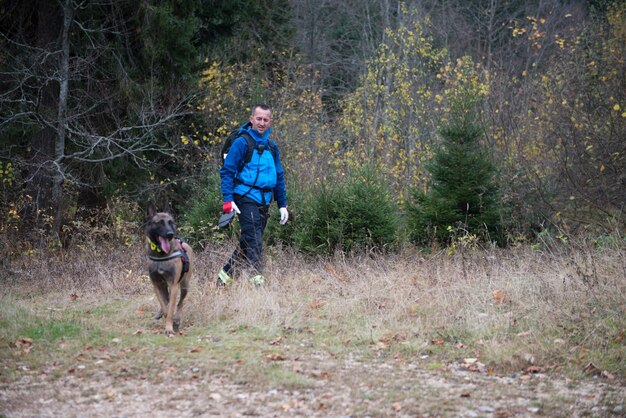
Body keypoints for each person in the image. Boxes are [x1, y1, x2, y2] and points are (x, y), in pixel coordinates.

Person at [217, 104, 288, 286]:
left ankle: (223, 279)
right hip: (244, 197)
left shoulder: (272, 147)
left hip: (265, 200)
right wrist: (228, 200)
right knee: (255, 239)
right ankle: (258, 282)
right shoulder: (242, 142)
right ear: (251, 119)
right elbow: (227, 171)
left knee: (248, 241)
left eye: (265, 119)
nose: (262, 123)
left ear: (270, 121)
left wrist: (282, 204)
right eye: (258, 119)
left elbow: (278, 175)